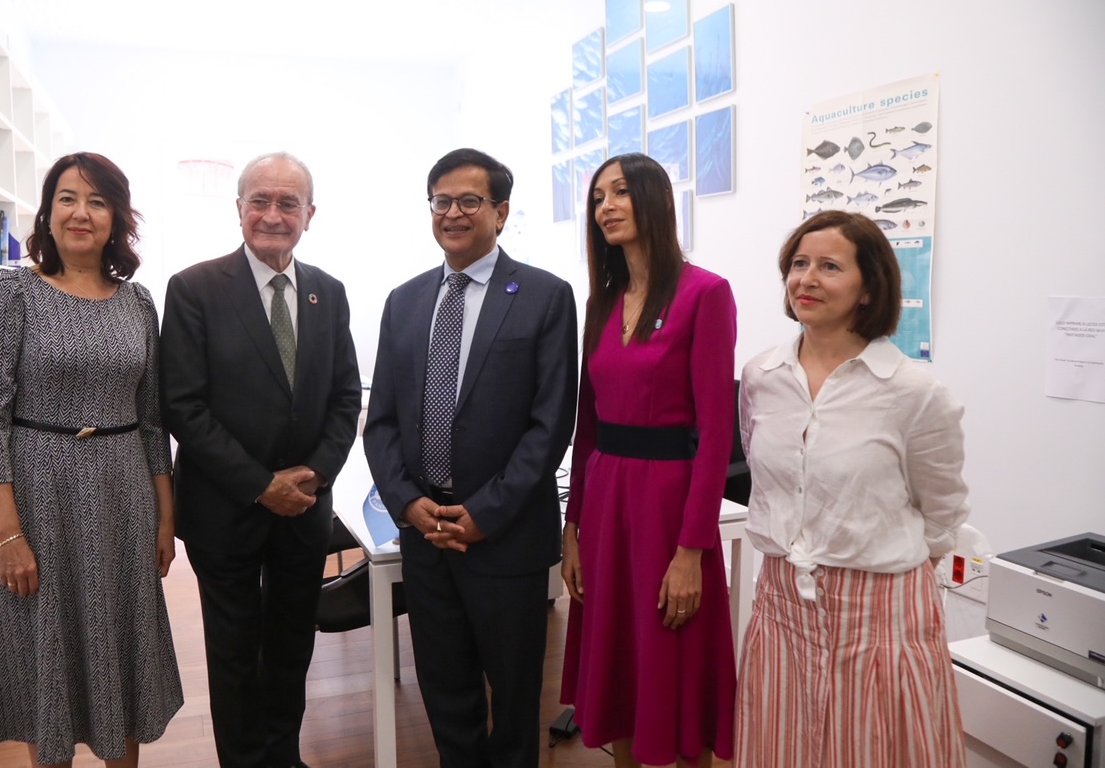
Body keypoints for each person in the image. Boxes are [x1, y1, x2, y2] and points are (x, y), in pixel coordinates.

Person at [0, 152, 182, 767]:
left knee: (122, 648)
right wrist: (7, 532)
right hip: (36, 497)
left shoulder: (138, 302)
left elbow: (152, 420)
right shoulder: (11, 291)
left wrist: (166, 516)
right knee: (46, 653)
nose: (80, 213)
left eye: (96, 200)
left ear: (116, 217)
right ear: (47, 211)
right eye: (67, 198)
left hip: (122, 497)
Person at [364, 148, 578, 768]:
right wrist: (408, 502)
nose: (452, 213)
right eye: (441, 201)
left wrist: (485, 512)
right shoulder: (403, 301)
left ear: (501, 212)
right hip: (426, 531)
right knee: (445, 687)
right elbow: (382, 422)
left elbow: (550, 424)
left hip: (504, 536)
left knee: (513, 696)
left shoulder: (544, 296)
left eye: (469, 201)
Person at [735, 209, 968, 766]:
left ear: (868, 288)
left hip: (880, 614)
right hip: (783, 602)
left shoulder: (913, 392)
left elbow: (943, 512)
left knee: (872, 749)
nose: (806, 279)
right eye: (798, 264)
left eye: (830, 266)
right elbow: (768, 477)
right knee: (783, 745)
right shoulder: (762, 377)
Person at [159, 151, 361, 768]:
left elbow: (346, 396)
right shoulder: (194, 288)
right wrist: (259, 485)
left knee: (292, 644)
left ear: (310, 214)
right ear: (240, 208)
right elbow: (183, 408)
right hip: (225, 512)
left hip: (303, 510)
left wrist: (317, 473)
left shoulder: (329, 291)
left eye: (288, 203)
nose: (273, 216)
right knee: (234, 650)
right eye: (261, 201)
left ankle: (284, 754)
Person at [560, 153, 737, 768]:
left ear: (654, 200)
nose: (605, 206)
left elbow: (717, 433)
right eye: (597, 197)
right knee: (619, 660)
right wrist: (573, 528)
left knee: (674, 653)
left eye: (619, 193)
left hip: (669, 505)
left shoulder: (705, 293)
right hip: (608, 499)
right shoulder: (601, 302)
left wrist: (693, 549)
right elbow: (588, 426)